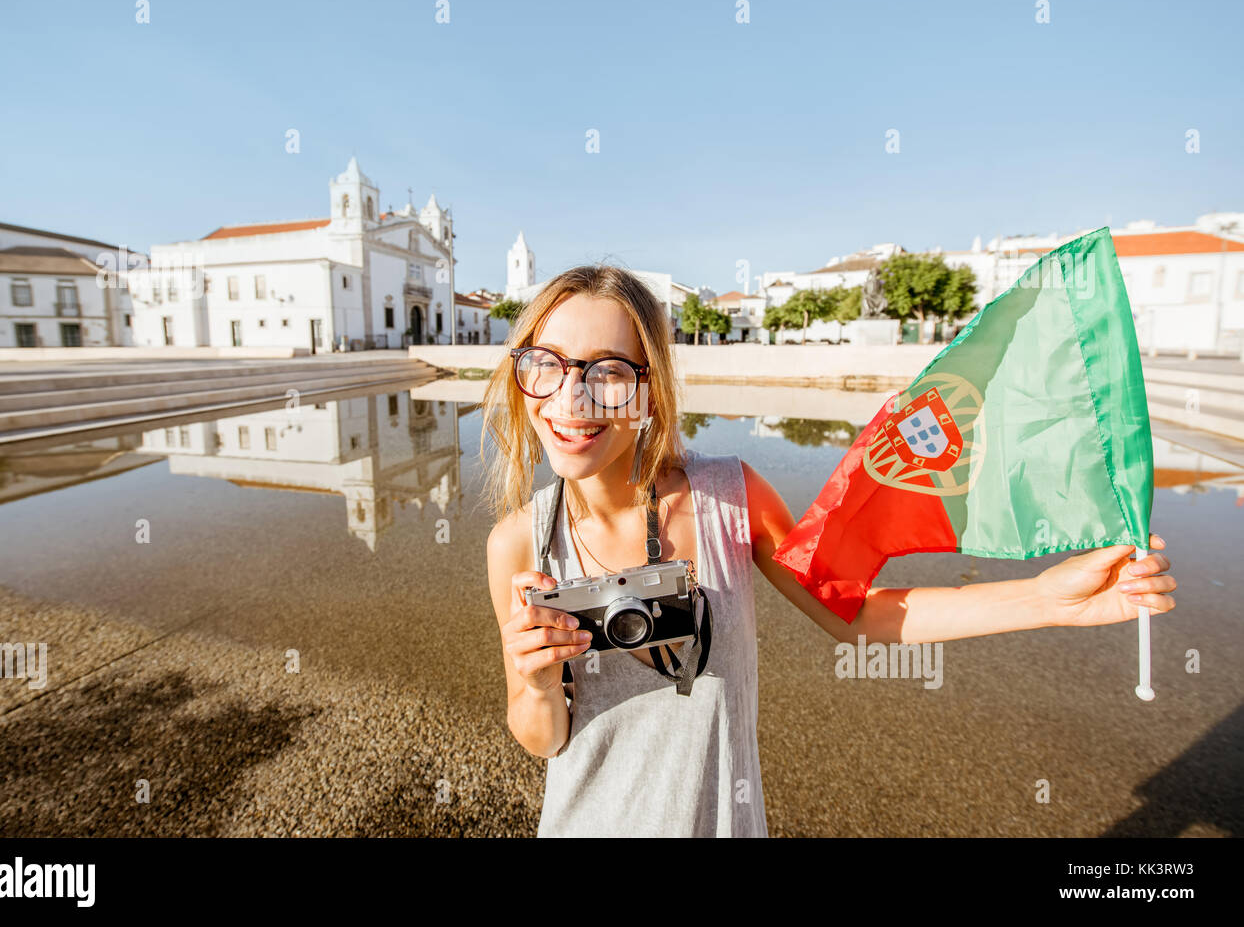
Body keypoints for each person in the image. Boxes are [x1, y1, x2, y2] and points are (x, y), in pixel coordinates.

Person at [481, 266, 1177, 837]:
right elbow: (541, 736)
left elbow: (860, 613)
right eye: (546, 364)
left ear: (648, 392)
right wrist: (538, 682)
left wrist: (1046, 598)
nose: (570, 398)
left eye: (605, 372)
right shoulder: (517, 543)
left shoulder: (731, 498)